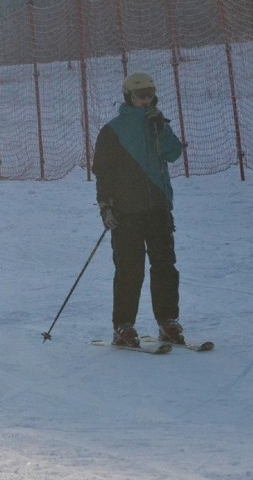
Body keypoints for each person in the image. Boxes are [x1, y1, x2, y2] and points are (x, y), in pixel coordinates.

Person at [91, 71, 185, 347]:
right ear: (128, 97)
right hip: (126, 212)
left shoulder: (157, 124)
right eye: (140, 95)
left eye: (150, 95)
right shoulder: (113, 131)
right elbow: (103, 172)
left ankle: (168, 321)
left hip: (158, 208)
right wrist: (105, 206)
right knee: (129, 269)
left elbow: (173, 153)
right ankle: (123, 325)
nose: (146, 100)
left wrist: (162, 129)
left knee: (165, 266)